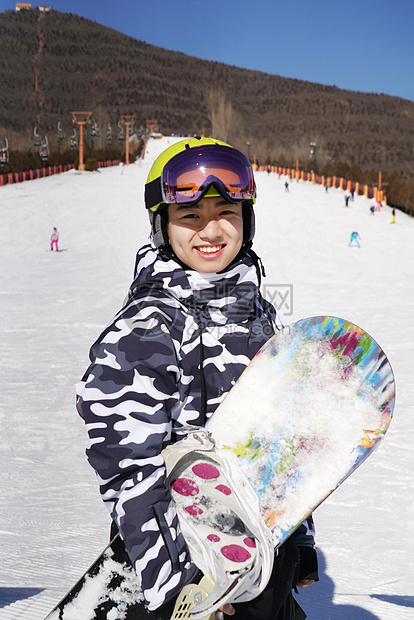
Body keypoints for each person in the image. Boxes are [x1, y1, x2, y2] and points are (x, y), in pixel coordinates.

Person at [76, 137, 318, 619]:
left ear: (246, 220)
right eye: (190, 217)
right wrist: (184, 586)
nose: (211, 230)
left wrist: (300, 544)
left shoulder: (261, 317)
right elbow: (131, 471)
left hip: (261, 559)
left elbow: (282, 448)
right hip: (182, 565)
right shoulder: (146, 328)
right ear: (163, 227)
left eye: (226, 211)